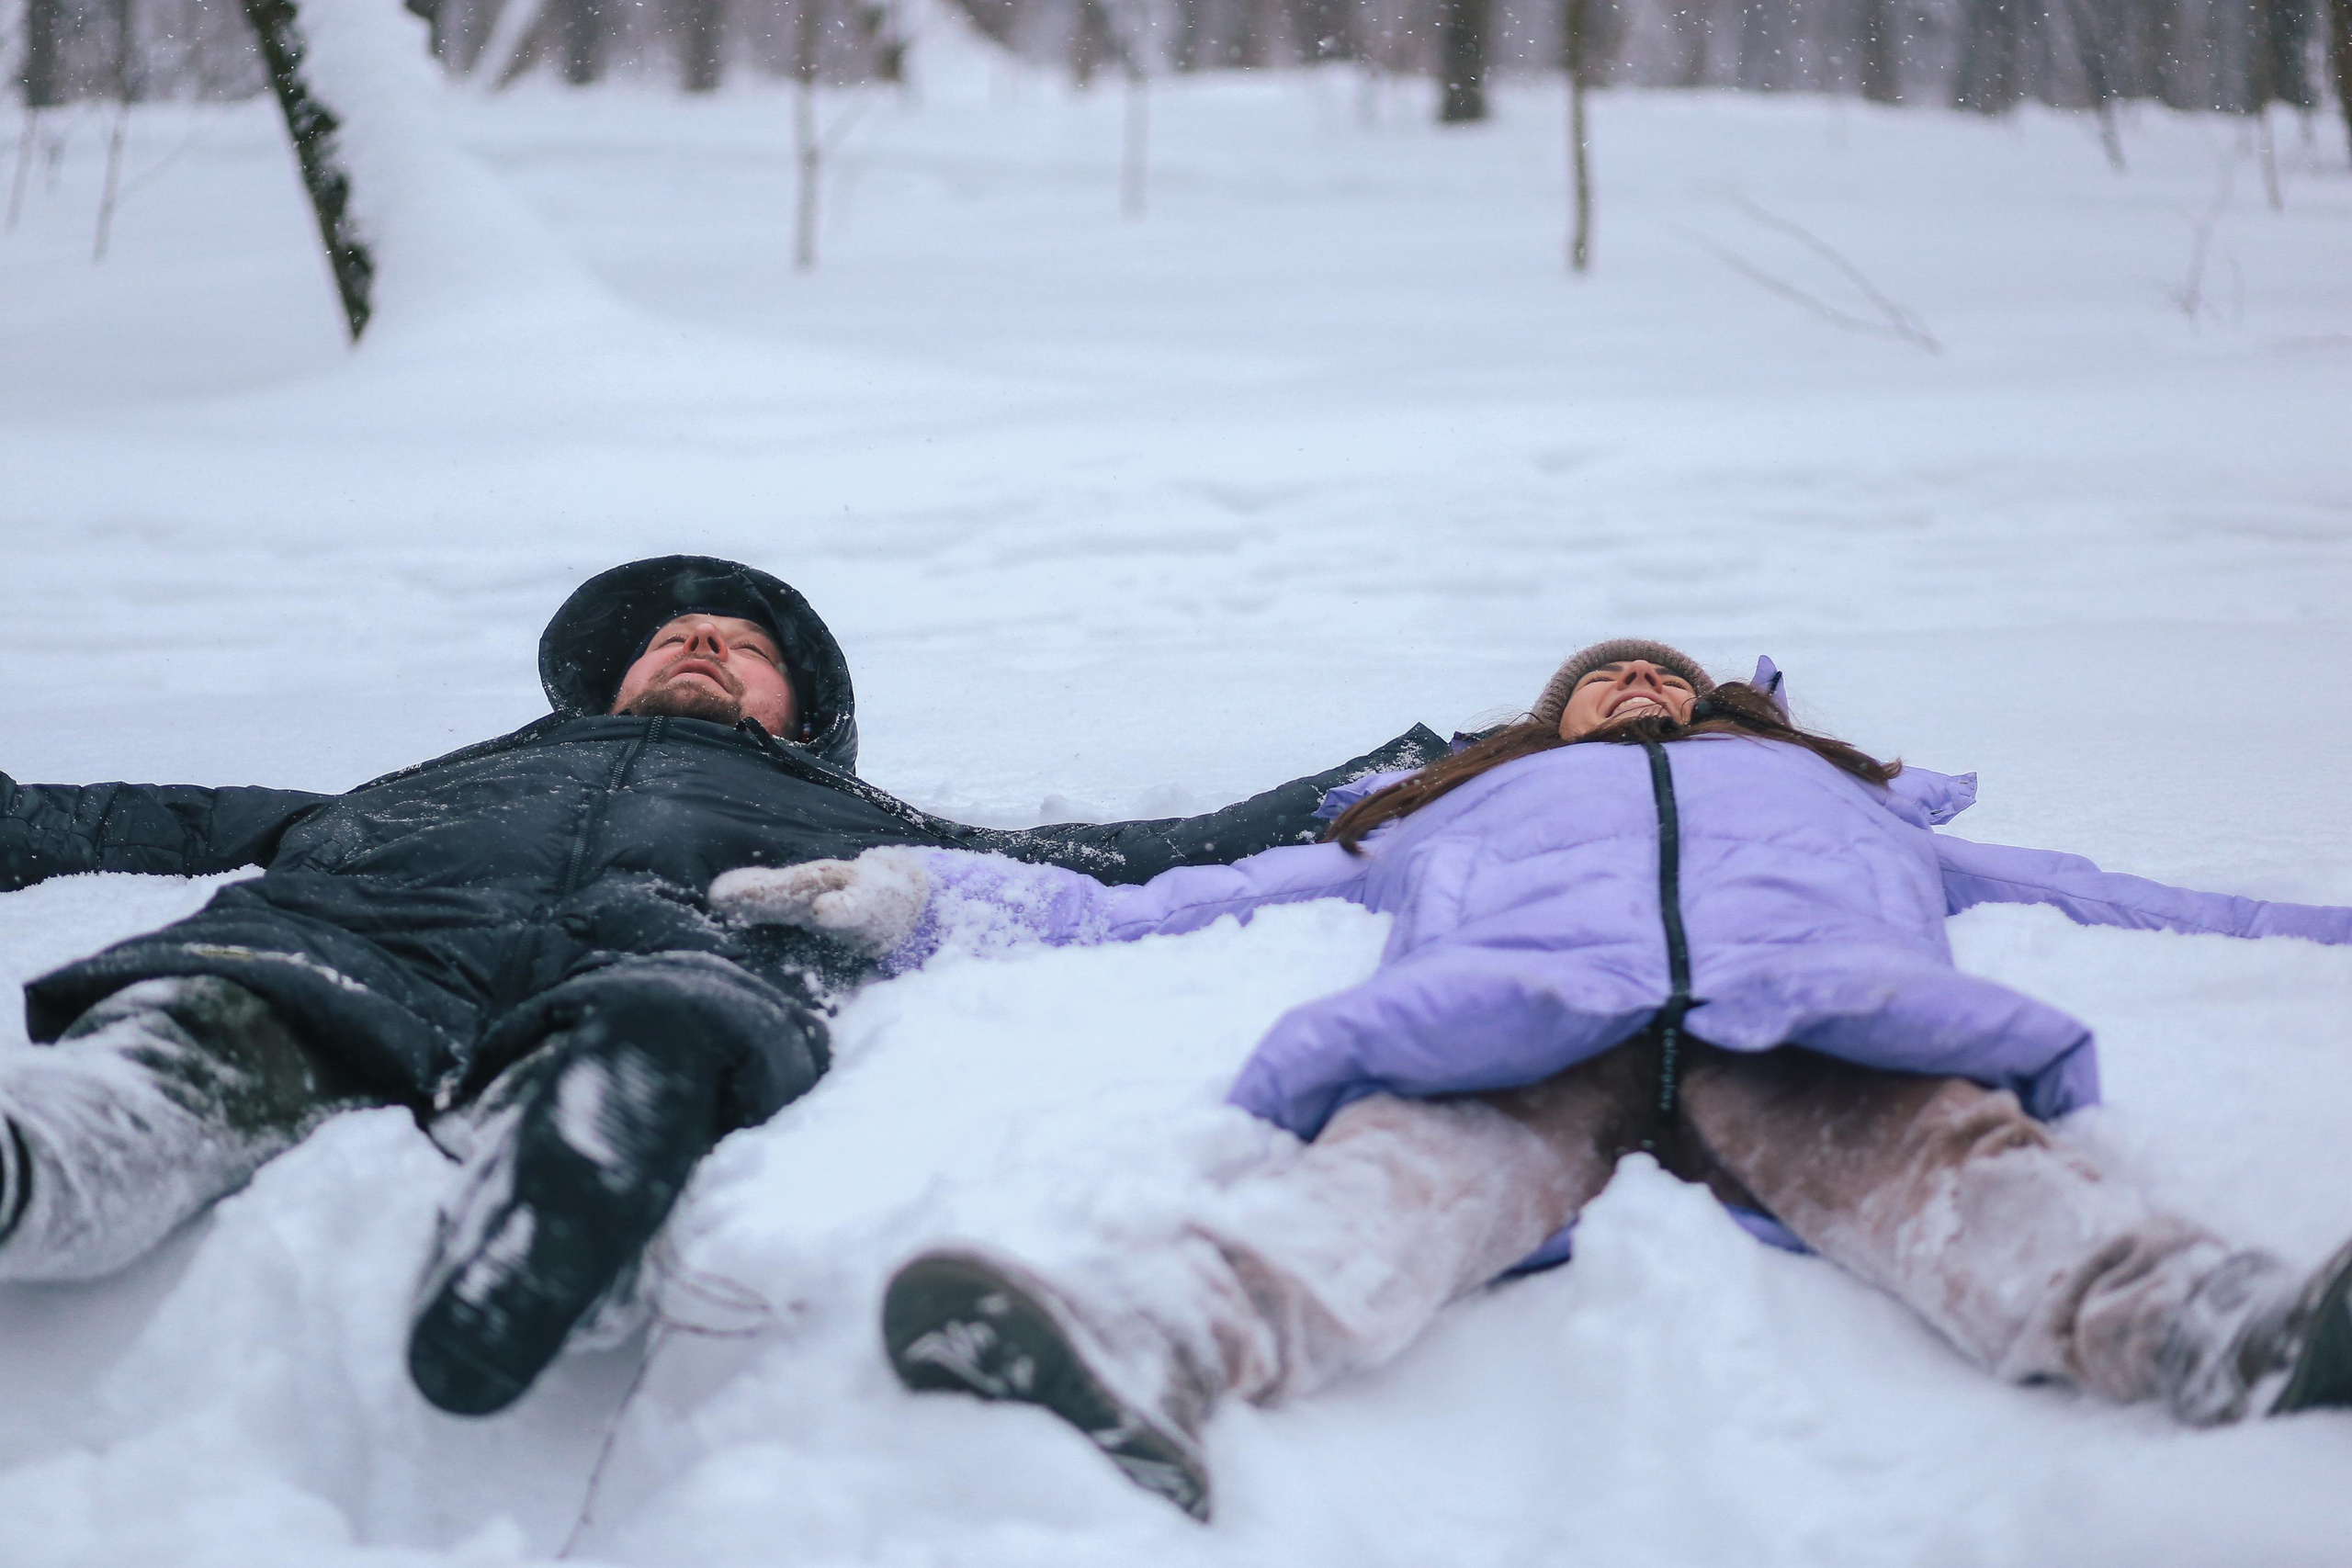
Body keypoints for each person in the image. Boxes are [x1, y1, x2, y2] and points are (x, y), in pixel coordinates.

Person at [716, 638, 2352, 1521]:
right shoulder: (1444, 813)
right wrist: (937, 902)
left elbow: (2127, 896)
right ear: (1547, 717)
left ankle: (2206, 1325)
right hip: (1510, 1019)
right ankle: (1155, 1342)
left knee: (1958, 1163)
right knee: (1391, 1176)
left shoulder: (1829, 798)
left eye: (1668, 675)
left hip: (1818, 1014)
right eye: (1602, 677)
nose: (1639, 686)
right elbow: (1182, 902)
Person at [0, 554, 1446, 1417]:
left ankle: (560, 1214)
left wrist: (1400, 778)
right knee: (225, 1006)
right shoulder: (436, 781)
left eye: (744, 646)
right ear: (613, 681)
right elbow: (167, 817)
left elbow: (1130, 857)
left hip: (676, 939)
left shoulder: (863, 823)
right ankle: (55, 1152)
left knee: (668, 1028)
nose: (702, 641)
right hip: (380, 915)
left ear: (797, 717)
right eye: (675, 636)